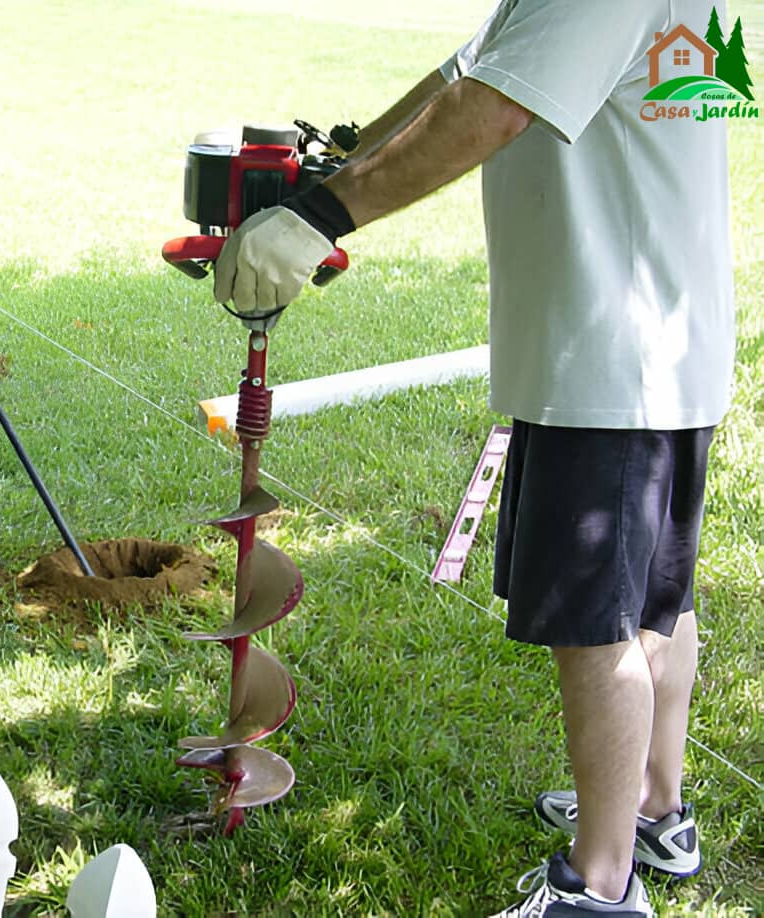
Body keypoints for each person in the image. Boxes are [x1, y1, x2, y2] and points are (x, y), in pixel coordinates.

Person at [212, 1, 734, 915]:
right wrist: (339, 158)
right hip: (654, 343)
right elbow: (464, 73)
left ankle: (601, 885)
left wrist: (324, 215)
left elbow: (493, 105)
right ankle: (655, 807)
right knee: (654, 597)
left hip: (609, 356)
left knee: (594, 625)